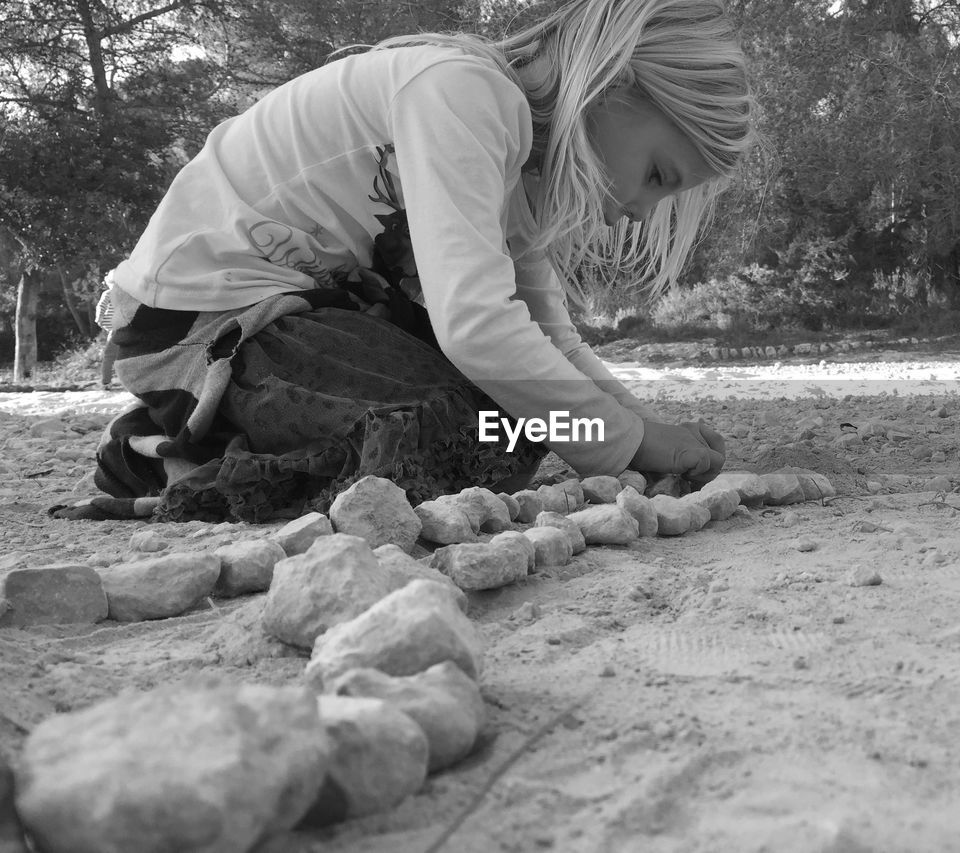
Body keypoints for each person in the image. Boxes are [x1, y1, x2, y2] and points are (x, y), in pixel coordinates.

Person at [54, 0, 756, 522]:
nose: (640, 211)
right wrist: (629, 439)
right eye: (659, 175)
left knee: (511, 421)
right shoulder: (466, 94)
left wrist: (636, 428)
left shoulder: (517, 166)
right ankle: (168, 456)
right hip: (206, 321)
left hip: (301, 319)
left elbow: (544, 336)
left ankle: (217, 431)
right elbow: (478, 328)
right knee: (475, 424)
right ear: (614, 80)